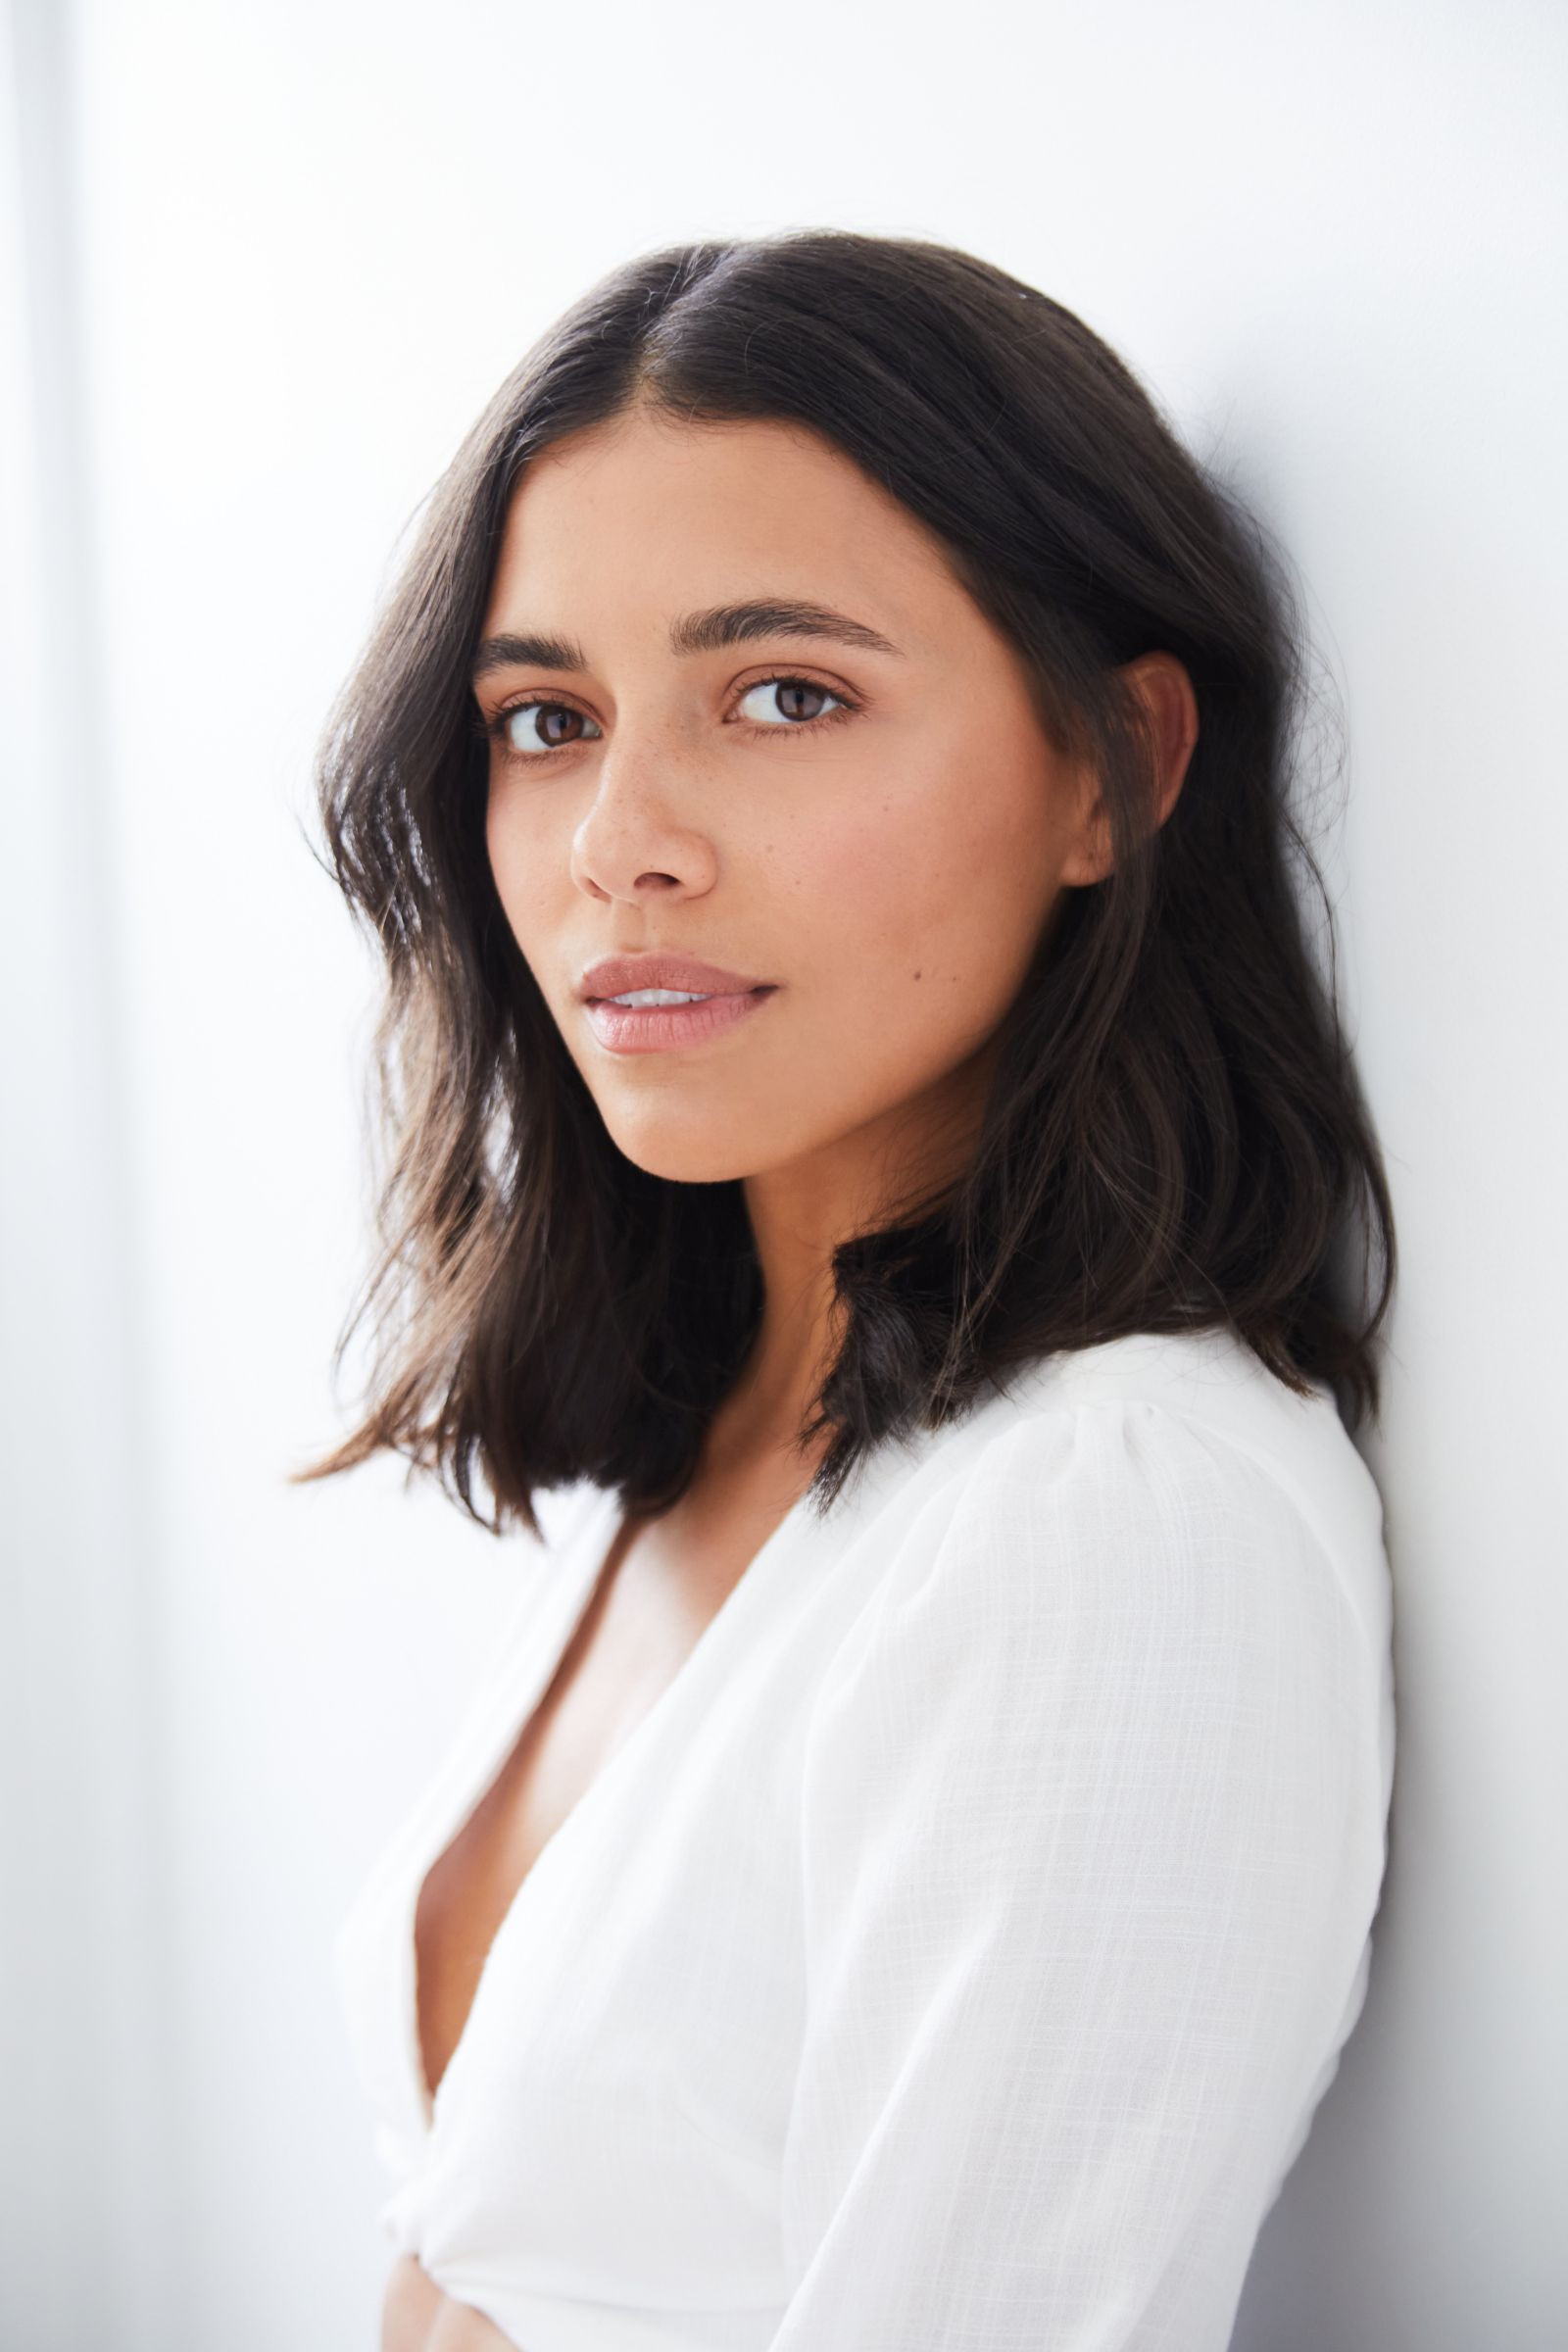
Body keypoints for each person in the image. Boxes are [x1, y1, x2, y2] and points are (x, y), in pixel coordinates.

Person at [292, 226, 1398, 2352]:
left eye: (782, 695)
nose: (621, 836)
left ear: (1112, 767)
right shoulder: (713, 1426)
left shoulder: (1109, 1523)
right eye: (545, 718)